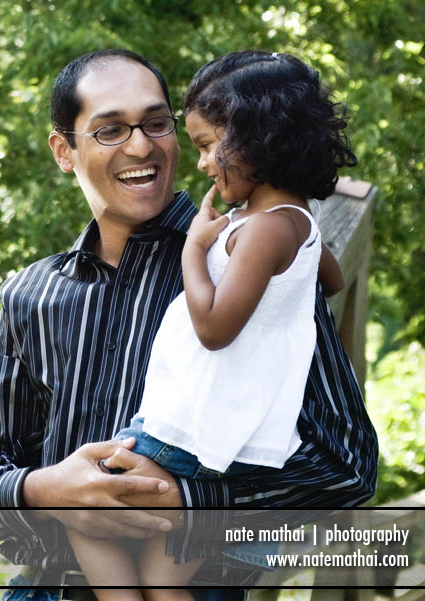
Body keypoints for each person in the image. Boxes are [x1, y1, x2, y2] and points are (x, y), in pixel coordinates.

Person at [0, 48, 378, 600]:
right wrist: (46, 489)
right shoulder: (32, 294)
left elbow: (347, 468)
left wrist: (194, 503)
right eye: (109, 130)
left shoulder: (245, 267)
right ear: (63, 150)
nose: (142, 145)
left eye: (156, 123)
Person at [64, 50, 355, 601]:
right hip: (212, 428)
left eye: (205, 145)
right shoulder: (286, 222)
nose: (200, 164)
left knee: (84, 510)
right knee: (163, 576)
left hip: (194, 430)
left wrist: (194, 252)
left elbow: (215, 328)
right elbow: (330, 277)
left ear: (259, 143)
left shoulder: (267, 230)